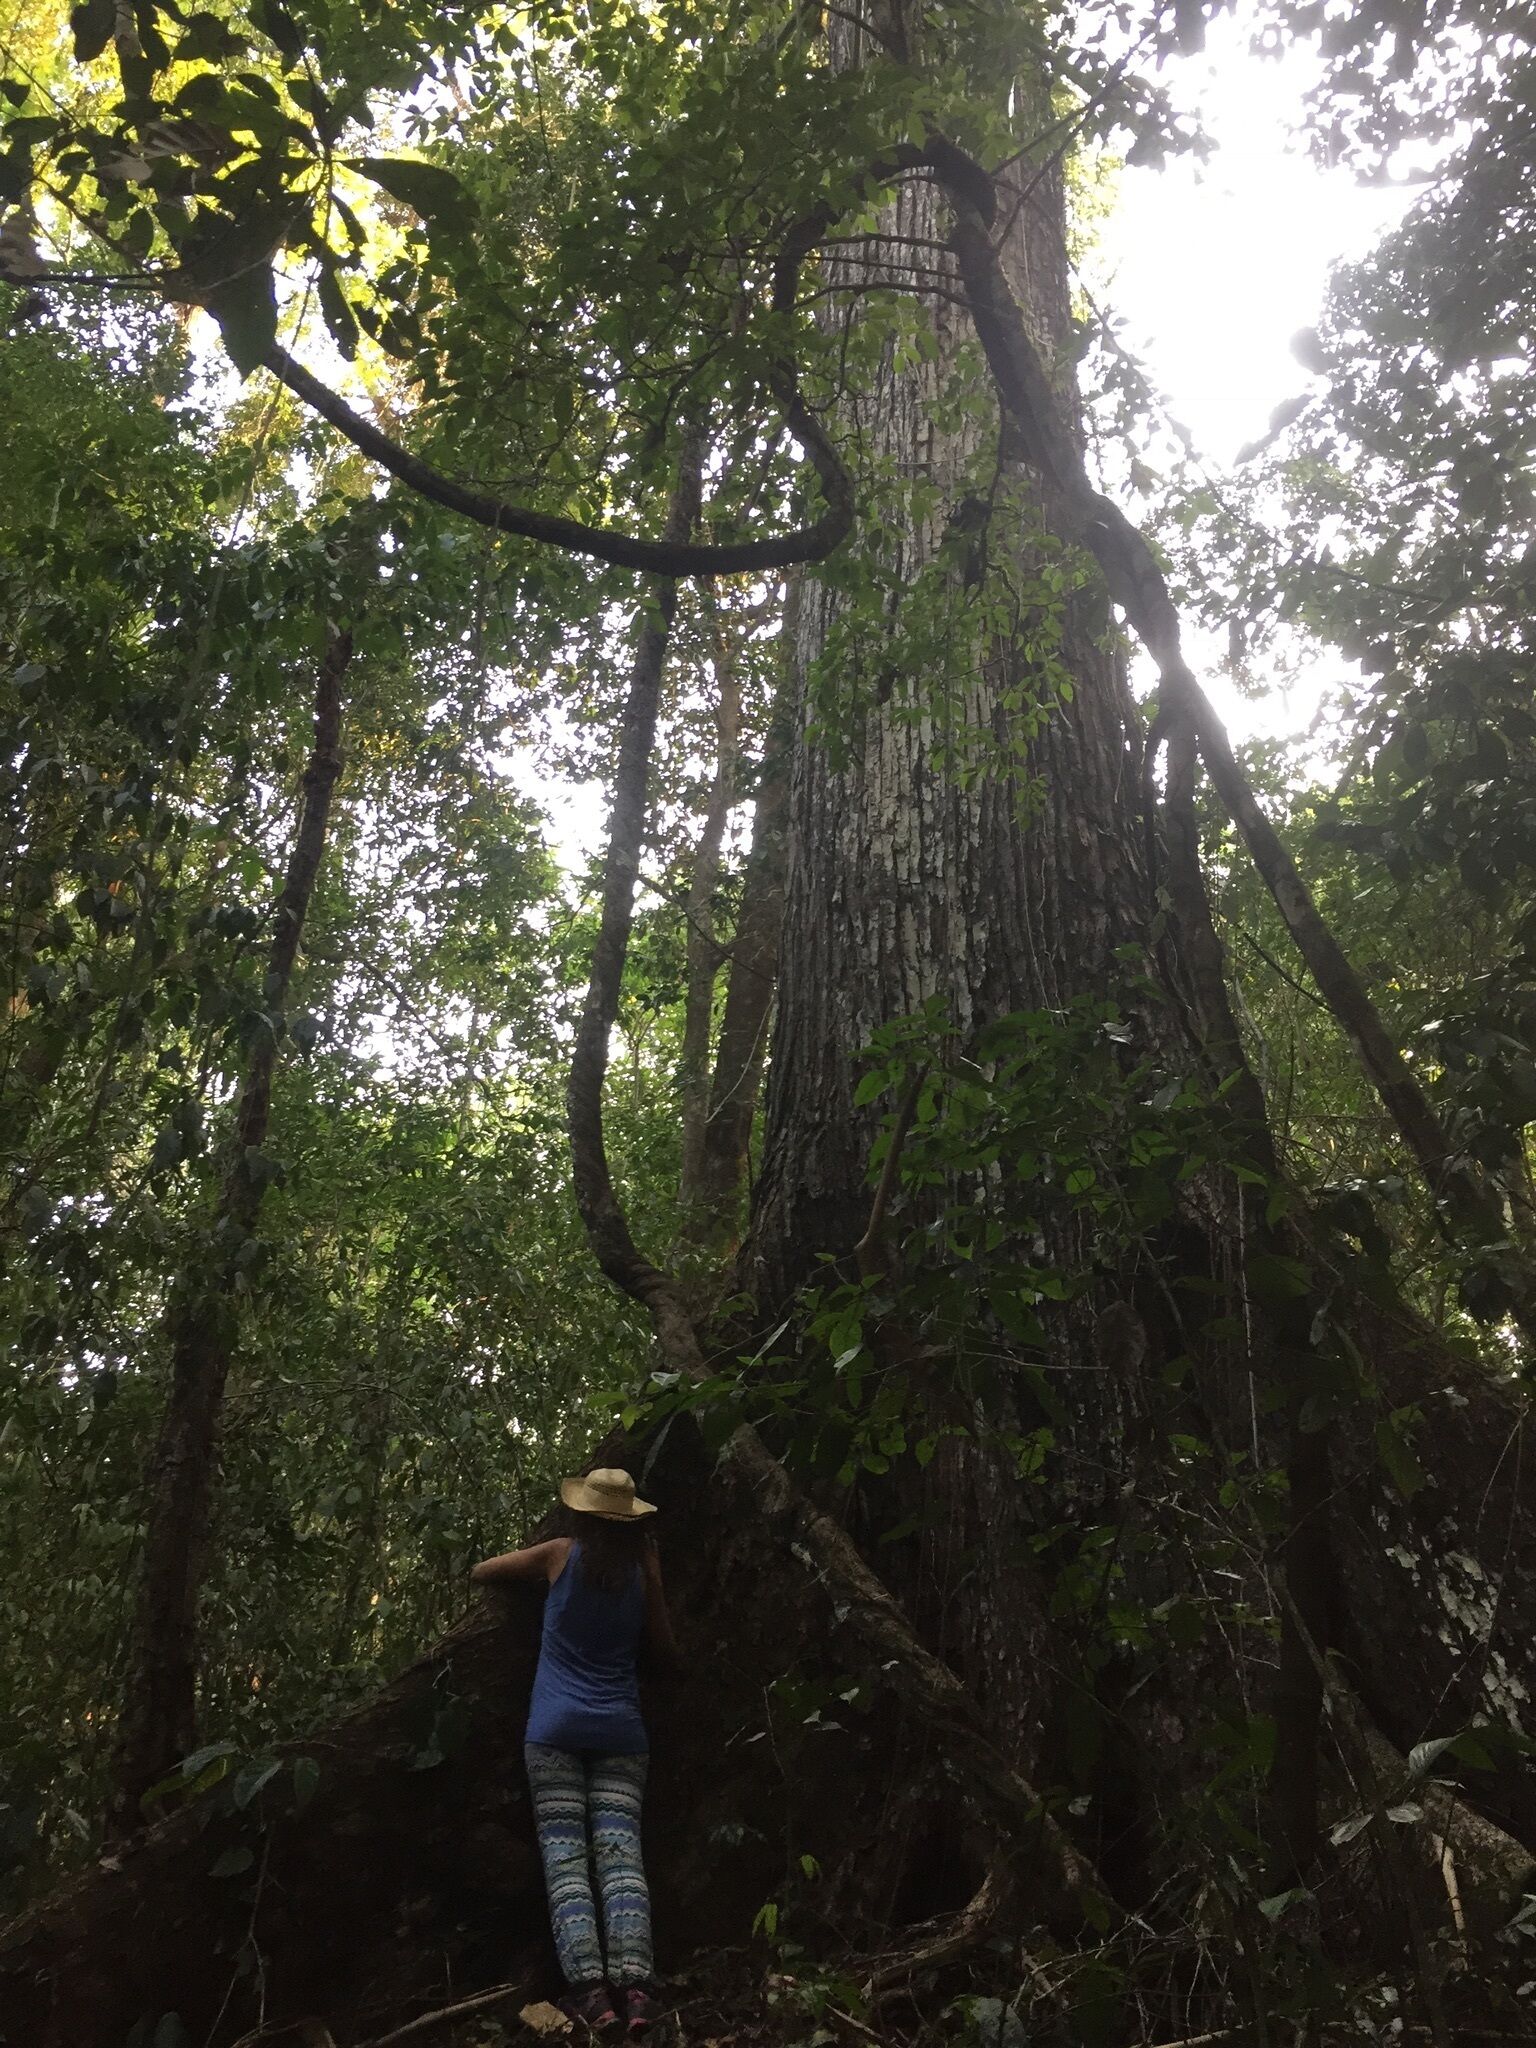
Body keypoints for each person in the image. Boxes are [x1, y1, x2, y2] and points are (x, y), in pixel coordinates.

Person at [472, 1466, 682, 2037]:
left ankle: (593, 1997)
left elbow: (482, 1571)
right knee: (621, 1856)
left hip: (555, 1730)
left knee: (566, 1859)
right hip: (621, 1732)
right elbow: (662, 1647)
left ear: (582, 1513)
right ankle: (636, 1991)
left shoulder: (558, 1554)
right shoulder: (646, 1568)